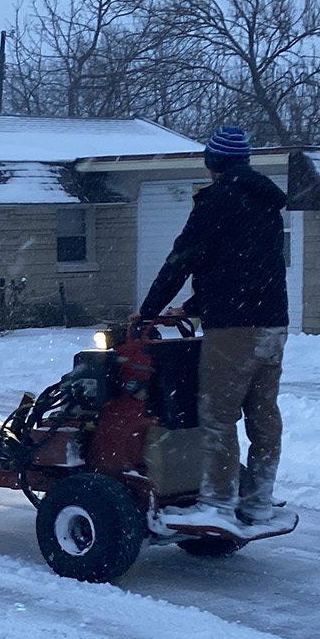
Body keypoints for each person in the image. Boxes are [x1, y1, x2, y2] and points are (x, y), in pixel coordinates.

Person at [130, 125, 290, 525]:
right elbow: (245, 262)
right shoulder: (265, 201)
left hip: (234, 327)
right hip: (272, 323)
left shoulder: (218, 200)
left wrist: (149, 310)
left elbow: (182, 259)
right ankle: (258, 501)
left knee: (218, 416)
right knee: (263, 416)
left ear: (212, 162)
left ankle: (217, 505)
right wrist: (196, 304)